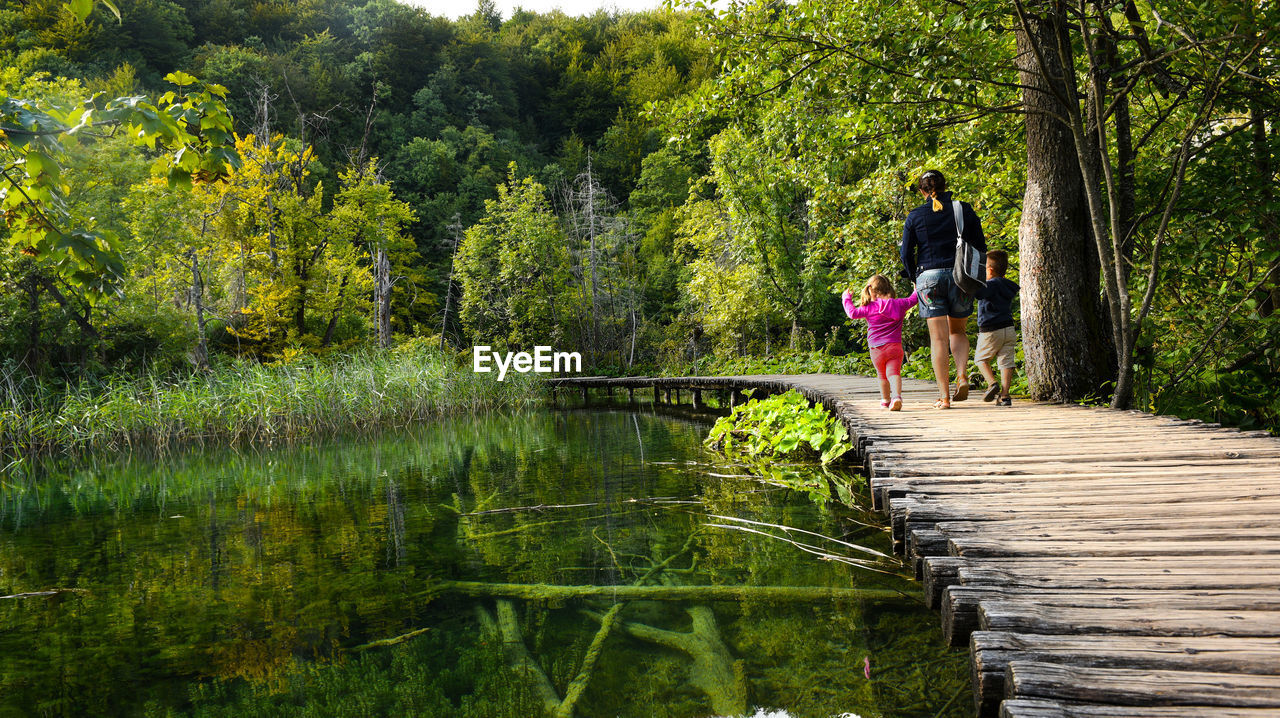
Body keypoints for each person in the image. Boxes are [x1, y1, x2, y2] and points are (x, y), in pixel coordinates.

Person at [900, 169, 987, 409]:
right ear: (945, 186)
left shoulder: (915, 216)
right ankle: (961, 376)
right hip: (961, 276)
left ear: (922, 191)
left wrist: (913, 277)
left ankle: (944, 397)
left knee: (937, 339)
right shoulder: (963, 209)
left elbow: (906, 254)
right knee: (957, 331)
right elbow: (980, 246)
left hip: (928, 277)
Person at [842, 274, 918, 411]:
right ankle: (896, 397)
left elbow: (852, 313)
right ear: (889, 288)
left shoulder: (868, 308)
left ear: (871, 291)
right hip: (894, 346)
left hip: (876, 349)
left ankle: (885, 400)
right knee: (893, 373)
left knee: (882, 375)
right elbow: (913, 299)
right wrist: (916, 288)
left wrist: (846, 298)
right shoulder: (898, 304)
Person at [974, 250, 1020, 406]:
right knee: (1006, 361)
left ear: (990, 270)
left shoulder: (991, 284)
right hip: (1008, 328)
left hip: (991, 330)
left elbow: (978, 293)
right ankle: (1005, 396)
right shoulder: (1007, 285)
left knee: (981, 359)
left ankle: (992, 383)